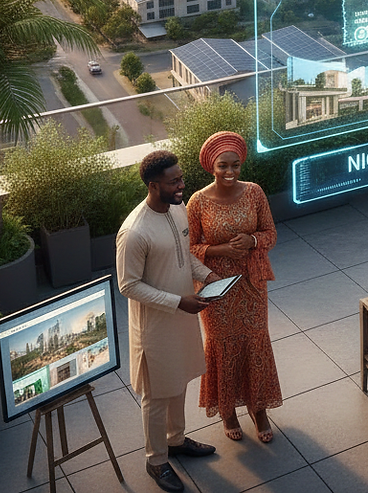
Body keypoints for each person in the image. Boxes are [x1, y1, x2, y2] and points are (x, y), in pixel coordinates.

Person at [116, 150, 218, 493]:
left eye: (181, 178)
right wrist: (178, 301)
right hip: (155, 329)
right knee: (156, 396)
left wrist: (208, 274)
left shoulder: (177, 209)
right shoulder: (134, 232)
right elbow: (128, 285)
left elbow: (184, 256)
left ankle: (176, 441)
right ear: (152, 185)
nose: (181, 185)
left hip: (183, 316)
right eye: (174, 181)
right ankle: (156, 460)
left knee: (180, 380)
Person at [187, 131, 282, 444]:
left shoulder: (254, 192)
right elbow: (189, 248)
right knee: (223, 346)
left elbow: (270, 233)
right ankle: (227, 411)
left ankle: (259, 409)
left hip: (252, 284)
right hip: (217, 288)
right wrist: (220, 251)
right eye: (223, 166)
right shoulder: (197, 202)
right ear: (211, 167)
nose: (230, 172)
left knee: (255, 342)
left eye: (236, 165)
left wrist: (252, 240)